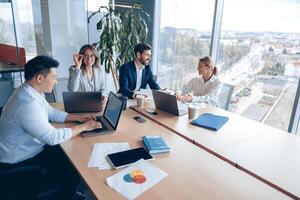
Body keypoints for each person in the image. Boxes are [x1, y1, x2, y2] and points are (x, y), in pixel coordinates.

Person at [0, 55, 101, 199]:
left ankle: (73, 188)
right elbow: (53, 137)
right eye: (54, 77)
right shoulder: (27, 104)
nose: (55, 81)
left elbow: (52, 113)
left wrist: (78, 118)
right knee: (73, 160)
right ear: (40, 78)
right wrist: (84, 127)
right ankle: (68, 193)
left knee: (71, 152)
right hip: (18, 161)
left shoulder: (30, 91)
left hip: (28, 149)